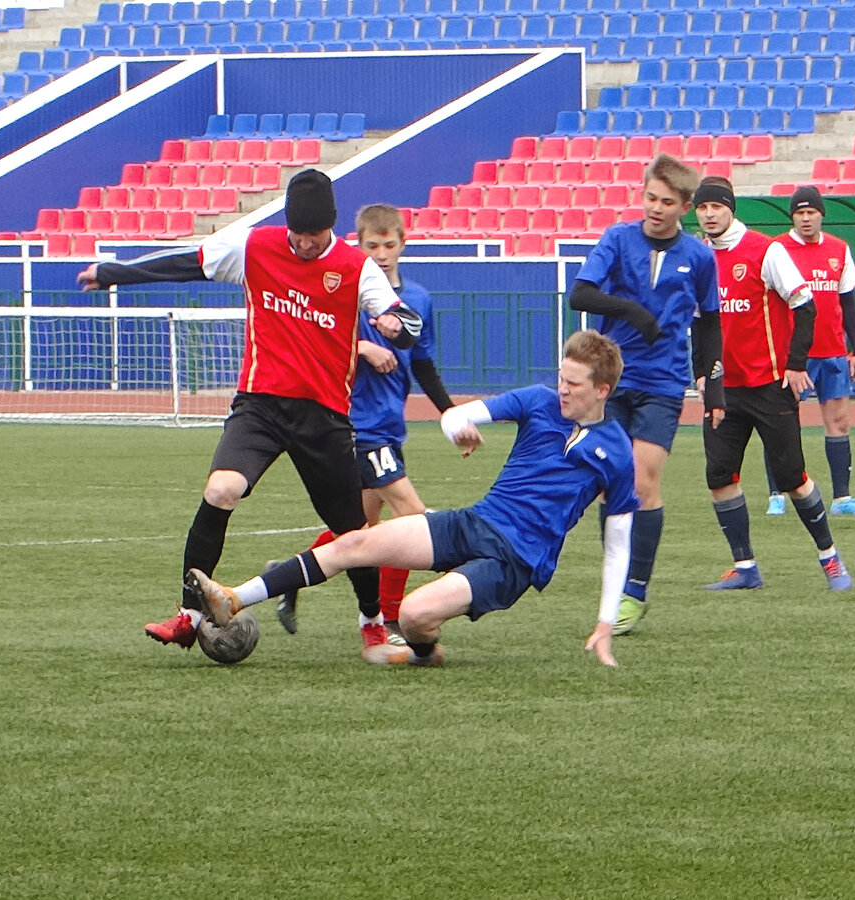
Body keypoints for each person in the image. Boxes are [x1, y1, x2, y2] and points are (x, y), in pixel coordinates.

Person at [75, 169, 423, 654]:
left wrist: (392, 323)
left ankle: (371, 622)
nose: (303, 243)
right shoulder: (254, 247)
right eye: (297, 233)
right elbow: (187, 263)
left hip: (323, 416)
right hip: (259, 405)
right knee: (222, 489)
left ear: (332, 226)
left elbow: (408, 325)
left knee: (351, 530)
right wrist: (115, 273)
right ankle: (189, 615)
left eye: (314, 235)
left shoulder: (355, 267)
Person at [185, 330, 638, 668]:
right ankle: (234, 598)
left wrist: (604, 624)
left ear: (602, 390)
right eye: (561, 378)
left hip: (515, 561)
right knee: (354, 543)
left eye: (574, 384)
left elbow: (617, 543)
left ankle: (424, 654)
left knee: (415, 615)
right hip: (474, 521)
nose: (562, 389)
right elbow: (459, 414)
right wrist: (457, 424)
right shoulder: (538, 401)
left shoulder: (617, 452)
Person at [274, 203, 456, 645]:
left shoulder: (418, 300)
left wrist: (450, 411)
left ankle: (286, 577)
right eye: (371, 245)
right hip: (358, 426)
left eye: (389, 245)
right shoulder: (347, 294)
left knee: (356, 532)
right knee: (411, 519)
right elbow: (317, 345)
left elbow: (425, 365)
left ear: (403, 245)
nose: (381, 253)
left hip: (390, 426)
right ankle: (388, 619)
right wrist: (362, 347)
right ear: (359, 246)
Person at [568, 153, 724, 635]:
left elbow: (711, 320)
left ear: (685, 206)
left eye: (667, 202)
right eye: (650, 197)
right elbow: (581, 294)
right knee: (610, 484)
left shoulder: (698, 257)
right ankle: (614, 588)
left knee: (641, 481)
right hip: (610, 382)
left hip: (662, 383)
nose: (655, 208)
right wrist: (633, 313)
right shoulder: (617, 239)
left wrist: (712, 384)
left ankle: (635, 592)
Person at [692, 176, 852, 592]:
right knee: (719, 475)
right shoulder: (695, 257)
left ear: (731, 208)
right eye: (702, 208)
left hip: (770, 385)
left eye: (716, 207)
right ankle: (745, 565)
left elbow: (806, 306)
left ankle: (829, 557)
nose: (708, 214)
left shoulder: (766, 250)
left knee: (792, 476)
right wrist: (701, 373)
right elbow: (700, 323)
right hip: (723, 389)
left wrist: (796, 364)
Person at [764, 186, 855, 517]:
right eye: (799, 213)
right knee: (780, 424)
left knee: (839, 421)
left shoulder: (839, 250)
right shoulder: (776, 250)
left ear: (821, 214)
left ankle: (842, 499)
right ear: (792, 217)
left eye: (810, 212)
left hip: (832, 351)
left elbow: (848, 303)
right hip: (792, 357)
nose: (805, 218)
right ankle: (777, 494)